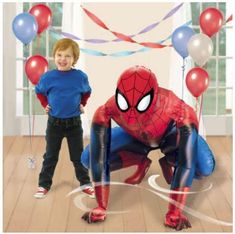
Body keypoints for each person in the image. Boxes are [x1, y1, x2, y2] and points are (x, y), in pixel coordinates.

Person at [81, 66, 215, 230]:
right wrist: (101, 207)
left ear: (154, 96)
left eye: (140, 103)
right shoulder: (107, 109)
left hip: (170, 138)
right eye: (124, 102)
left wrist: (174, 212)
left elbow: (186, 163)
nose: (131, 114)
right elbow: (97, 159)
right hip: (137, 137)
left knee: (205, 168)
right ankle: (139, 159)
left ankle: (169, 159)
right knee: (87, 158)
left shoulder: (180, 109)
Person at [34, 38, 94, 199]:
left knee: (78, 156)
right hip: (54, 123)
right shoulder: (48, 77)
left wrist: (82, 103)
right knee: (50, 155)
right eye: (59, 55)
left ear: (74, 59)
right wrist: (45, 104)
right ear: (54, 56)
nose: (63, 59)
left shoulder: (80, 77)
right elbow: (39, 91)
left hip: (74, 123)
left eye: (67, 56)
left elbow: (87, 92)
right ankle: (44, 184)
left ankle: (85, 183)